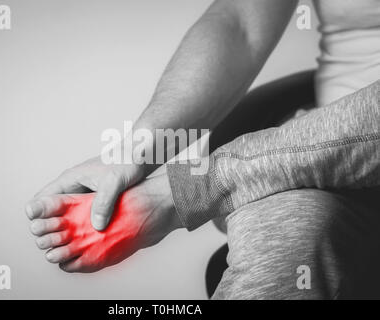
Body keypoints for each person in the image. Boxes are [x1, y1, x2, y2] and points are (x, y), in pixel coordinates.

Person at [25, 0, 380, 299]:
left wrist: (174, 197)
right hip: (326, 164)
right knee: (285, 235)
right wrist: (136, 152)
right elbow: (241, 22)